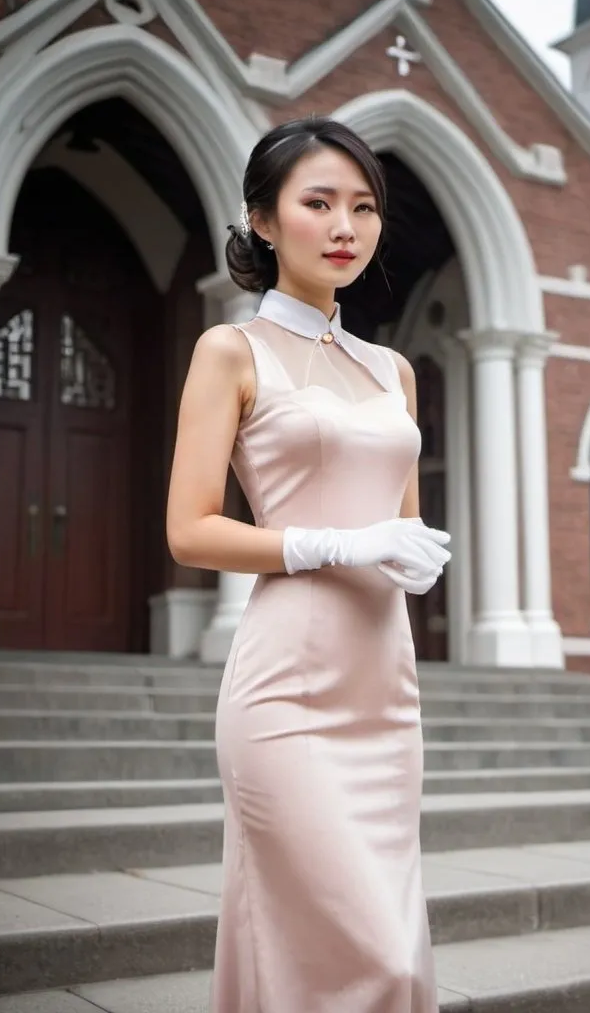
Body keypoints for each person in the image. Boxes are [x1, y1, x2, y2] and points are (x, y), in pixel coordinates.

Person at [166, 116, 451, 1012]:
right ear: (262, 220)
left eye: (363, 207)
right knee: (370, 957)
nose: (345, 227)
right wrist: (335, 543)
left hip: (384, 691)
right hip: (285, 690)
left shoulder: (391, 371)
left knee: (393, 952)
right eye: (318, 202)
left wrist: (410, 554)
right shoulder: (231, 351)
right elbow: (190, 530)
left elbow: (401, 521)